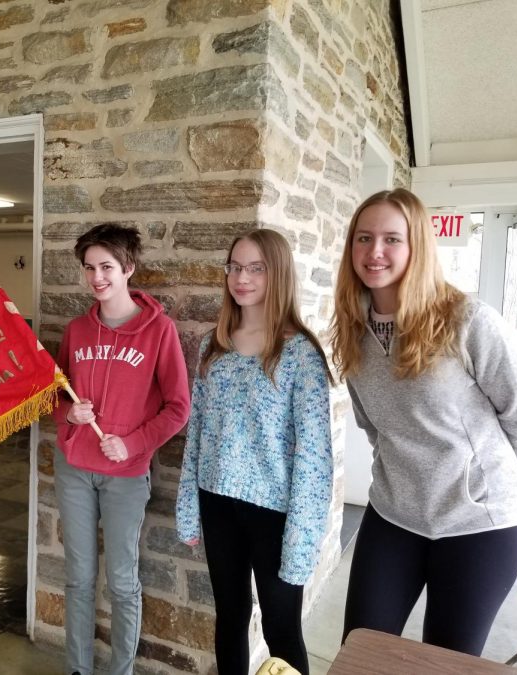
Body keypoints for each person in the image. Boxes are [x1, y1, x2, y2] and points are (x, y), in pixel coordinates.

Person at [332, 188, 517, 656]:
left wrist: (487, 482)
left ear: (418, 248)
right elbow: (376, 428)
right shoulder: (353, 331)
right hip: (394, 516)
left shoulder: (466, 320)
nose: (375, 252)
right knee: (360, 652)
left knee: (444, 664)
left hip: (477, 528)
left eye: (393, 239)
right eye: (364, 238)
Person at [175, 229, 333, 675]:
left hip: (275, 514)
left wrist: (302, 543)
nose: (241, 278)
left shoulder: (300, 354)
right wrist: (189, 507)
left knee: (281, 630)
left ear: (277, 273)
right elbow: (198, 434)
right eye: (235, 267)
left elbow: (315, 461)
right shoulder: (214, 345)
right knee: (230, 617)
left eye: (255, 268)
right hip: (218, 504)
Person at [53, 223, 190, 675]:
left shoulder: (159, 331)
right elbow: (56, 393)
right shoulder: (76, 330)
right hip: (75, 468)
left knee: (122, 582)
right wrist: (69, 417)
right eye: (89, 268)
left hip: (126, 476)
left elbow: (178, 408)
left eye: (106, 267)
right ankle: (79, 668)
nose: (97, 277)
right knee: (79, 578)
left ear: (128, 268)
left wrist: (131, 443)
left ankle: (120, 671)